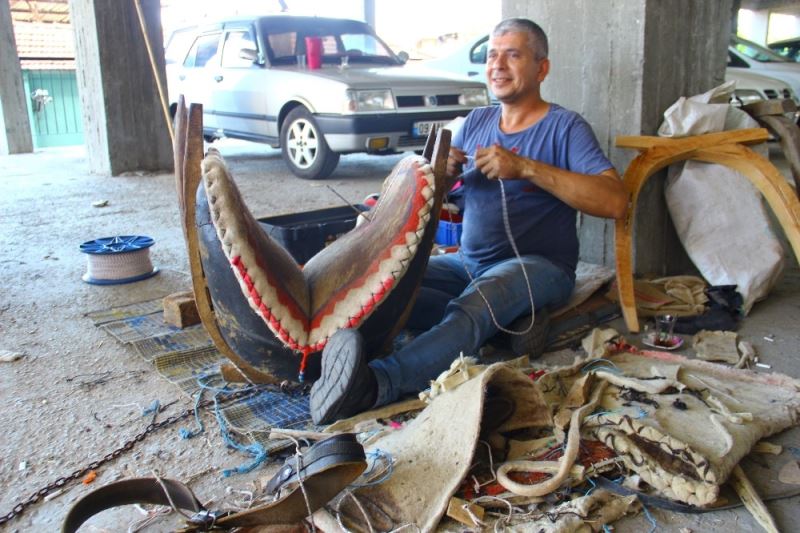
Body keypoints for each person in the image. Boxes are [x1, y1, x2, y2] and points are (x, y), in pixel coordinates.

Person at [309, 18, 628, 425]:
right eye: (492, 55)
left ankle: (374, 385)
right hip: (468, 262)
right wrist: (440, 174)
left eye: (513, 55)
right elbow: (438, 199)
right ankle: (504, 327)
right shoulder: (475, 121)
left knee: (471, 309)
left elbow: (616, 202)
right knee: (387, 287)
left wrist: (527, 168)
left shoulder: (565, 127)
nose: (498, 65)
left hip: (539, 266)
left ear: (541, 69)